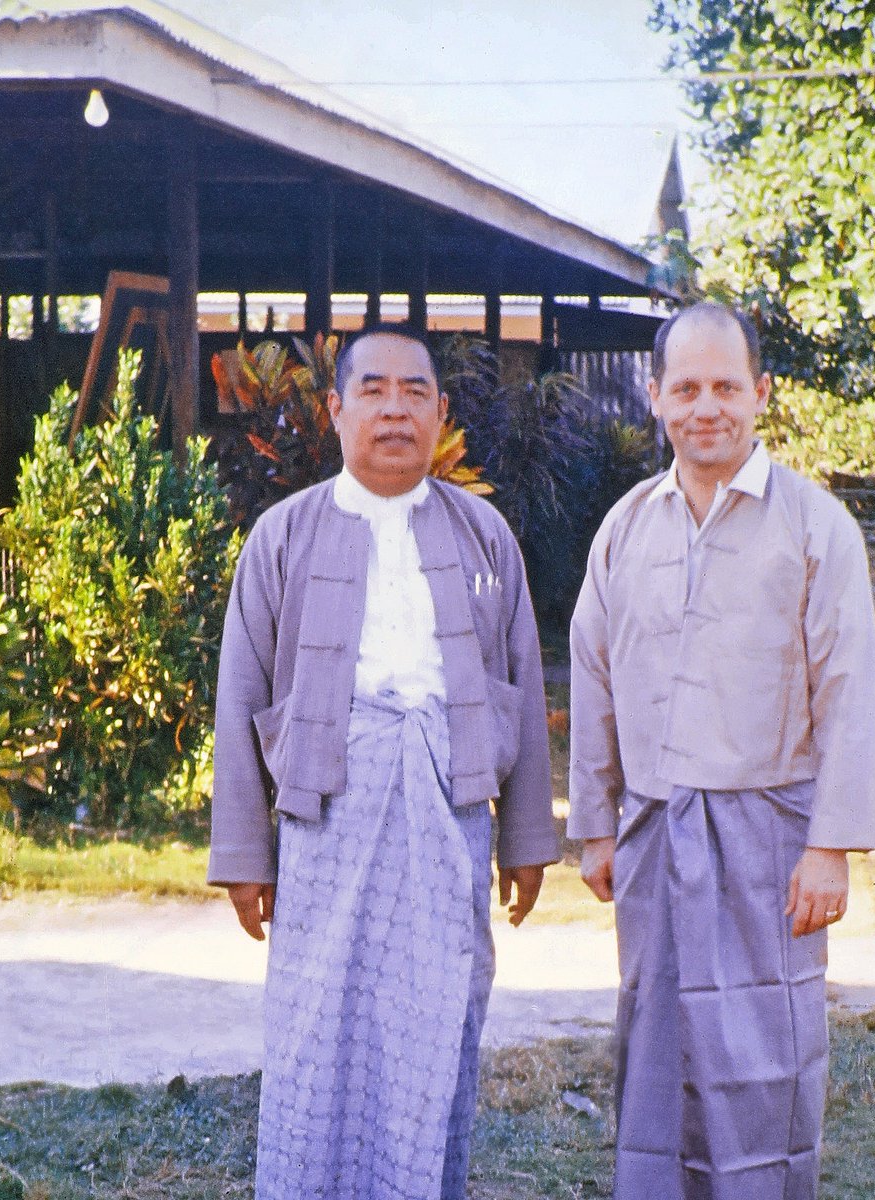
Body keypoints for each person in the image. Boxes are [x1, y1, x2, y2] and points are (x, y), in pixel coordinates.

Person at [208, 325, 557, 1200]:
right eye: (374, 390)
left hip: (447, 817)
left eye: (415, 392)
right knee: (315, 1028)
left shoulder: (485, 537)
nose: (395, 409)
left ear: (441, 412)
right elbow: (242, 693)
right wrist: (246, 859)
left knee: (436, 1023)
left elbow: (519, 678)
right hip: (325, 821)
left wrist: (523, 840)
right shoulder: (282, 537)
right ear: (335, 409)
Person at [568, 301, 875, 1199]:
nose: (708, 407)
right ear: (656, 398)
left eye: (727, 387)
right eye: (688, 389)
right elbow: (593, 679)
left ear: (762, 394)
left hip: (771, 836)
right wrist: (597, 827)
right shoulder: (626, 528)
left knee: (765, 1061)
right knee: (657, 1048)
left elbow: (848, 689)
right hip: (657, 832)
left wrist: (830, 846)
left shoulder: (816, 526)